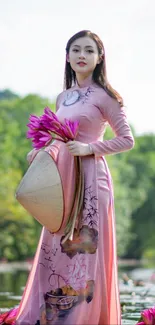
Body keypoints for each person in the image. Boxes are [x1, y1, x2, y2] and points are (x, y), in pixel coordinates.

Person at [1, 30, 134, 325]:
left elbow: (127, 140)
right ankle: (51, 317)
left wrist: (90, 148)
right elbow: (58, 138)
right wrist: (42, 151)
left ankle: (82, 319)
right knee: (56, 250)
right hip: (63, 184)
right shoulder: (64, 96)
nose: (82, 55)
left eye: (89, 50)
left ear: (100, 58)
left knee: (83, 252)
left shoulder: (107, 96)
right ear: (68, 56)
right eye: (76, 50)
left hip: (91, 181)